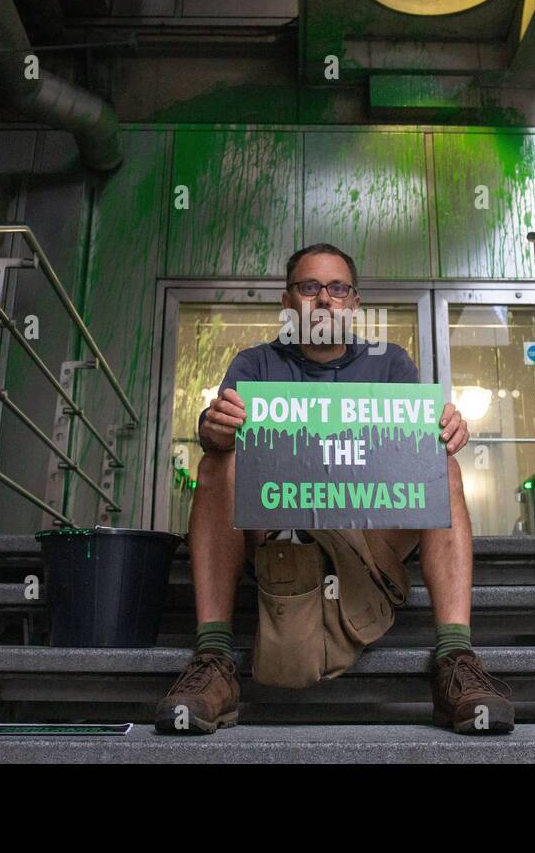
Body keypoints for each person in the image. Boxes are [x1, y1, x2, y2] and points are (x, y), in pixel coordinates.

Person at [154, 243, 515, 735]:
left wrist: (449, 428)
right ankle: (214, 656)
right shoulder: (256, 364)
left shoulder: (389, 363)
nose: (324, 299)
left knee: (441, 464)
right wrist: (211, 426)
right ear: (288, 303)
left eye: (337, 288)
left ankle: (454, 657)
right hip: (281, 536)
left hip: (370, 536)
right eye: (309, 287)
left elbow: (420, 442)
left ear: (354, 302)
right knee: (216, 464)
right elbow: (219, 430)